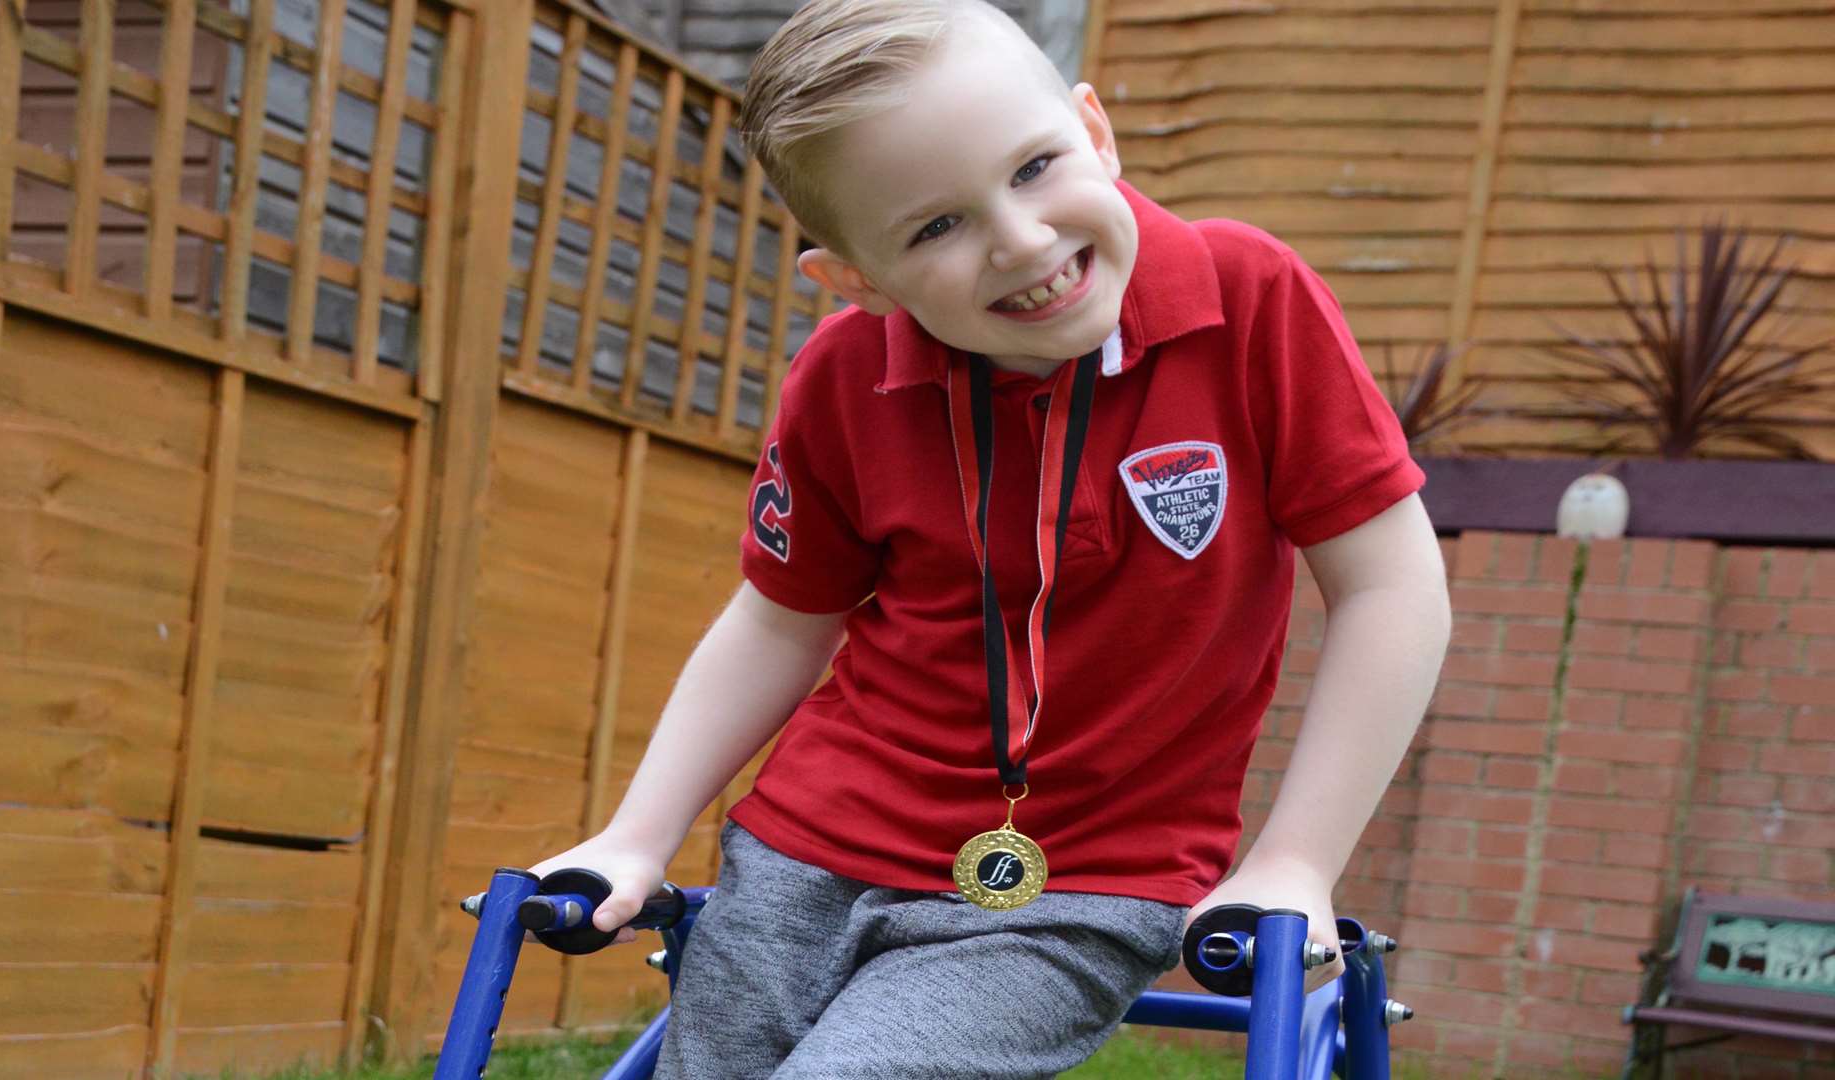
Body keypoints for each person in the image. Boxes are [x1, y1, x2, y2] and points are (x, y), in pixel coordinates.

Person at [531, 1, 1452, 1075]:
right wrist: (637, 835)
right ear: (859, 282)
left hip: (1081, 883)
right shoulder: (841, 377)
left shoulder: (1248, 303)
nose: (1022, 240)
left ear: (1094, 131)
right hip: (808, 849)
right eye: (935, 227)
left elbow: (1391, 585)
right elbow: (781, 623)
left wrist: (1297, 860)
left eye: (1034, 167)